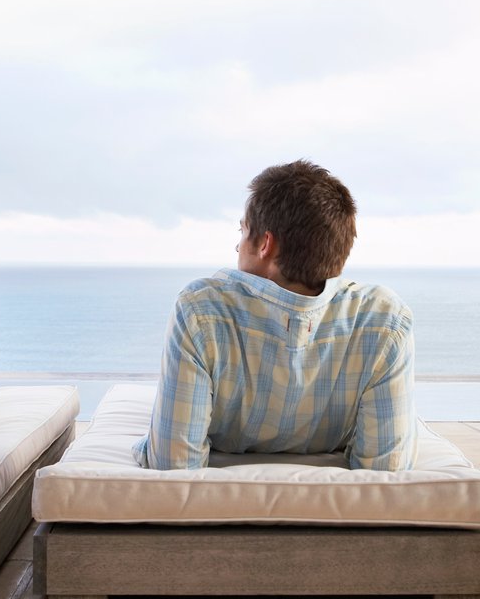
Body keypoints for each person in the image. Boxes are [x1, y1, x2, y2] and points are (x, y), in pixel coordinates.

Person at [135, 160, 416, 471]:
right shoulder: (384, 319)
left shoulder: (201, 310)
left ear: (265, 244)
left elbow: (172, 467)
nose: (237, 244)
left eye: (242, 231)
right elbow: (386, 475)